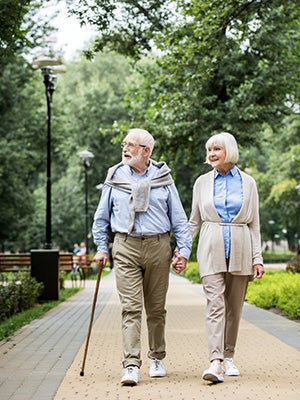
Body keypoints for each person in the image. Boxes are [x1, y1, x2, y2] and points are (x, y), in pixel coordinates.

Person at [92, 128, 192, 386]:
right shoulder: (114, 177)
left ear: (146, 151)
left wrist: (184, 251)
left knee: (156, 308)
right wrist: (102, 248)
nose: (125, 149)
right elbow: (101, 218)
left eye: (131, 145)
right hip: (125, 245)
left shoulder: (163, 178)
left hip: (159, 246)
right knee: (131, 308)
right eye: (124, 144)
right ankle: (131, 364)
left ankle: (157, 356)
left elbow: (179, 219)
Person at [188, 131, 264, 383]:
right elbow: (193, 222)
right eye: (209, 150)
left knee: (234, 307)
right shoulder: (201, 183)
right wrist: (182, 251)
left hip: (241, 246)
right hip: (211, 246)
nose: (211, 154)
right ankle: (215, 360)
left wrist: (258, 258)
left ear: (229, 151)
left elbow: (254, 223)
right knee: (215, 304)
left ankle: (229, 356)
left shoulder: (248, 183)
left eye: (216, 149)